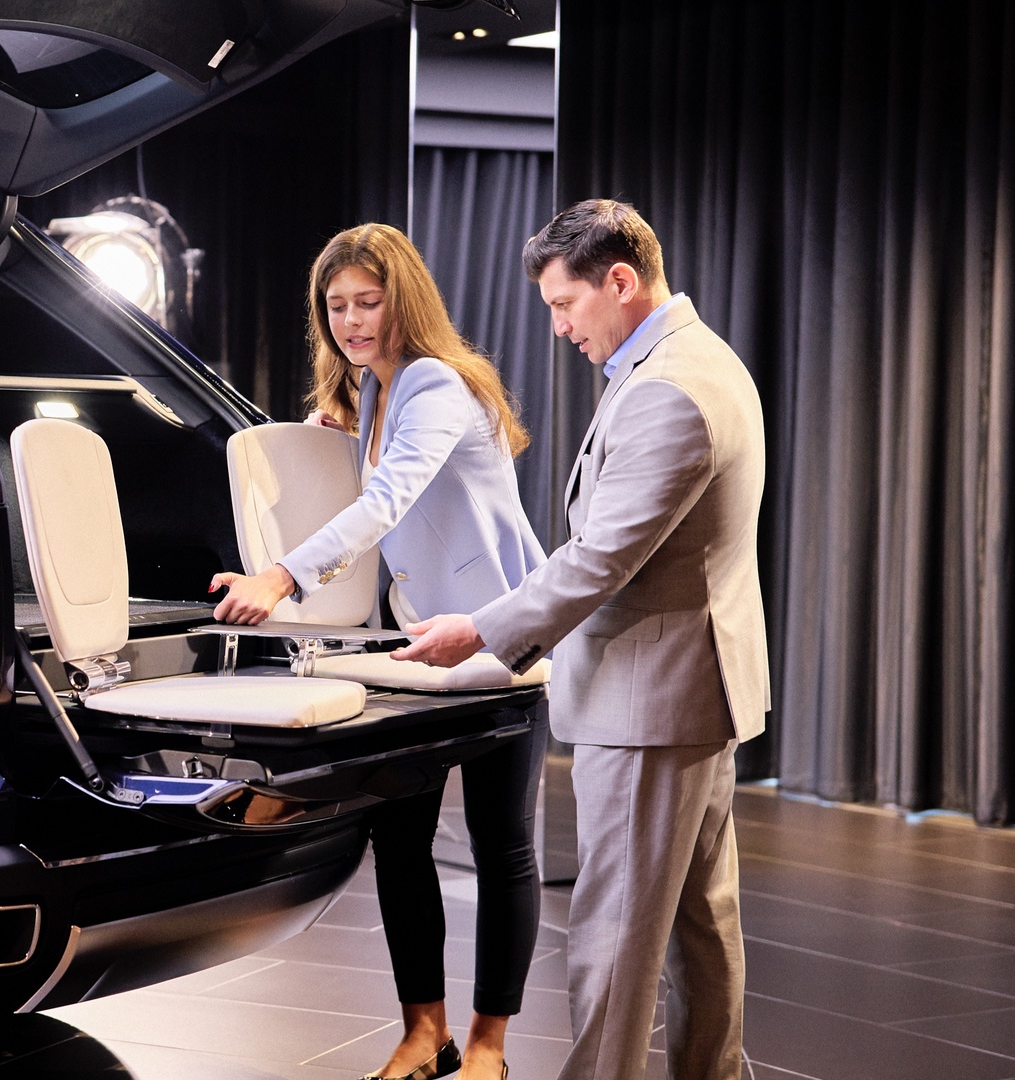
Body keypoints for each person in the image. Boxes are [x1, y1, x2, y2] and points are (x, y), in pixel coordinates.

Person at [396, 200, 768, 1080]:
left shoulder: (670, 389)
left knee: (614, 941)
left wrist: (482, 629)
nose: (560, 328)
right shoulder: (701, 360)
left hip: (651, 702)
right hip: (692, 691)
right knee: (699, 929)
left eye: (566, 307)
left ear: (621, 282)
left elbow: (603, 558)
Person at [211, 223, 547, 1080]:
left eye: (369, 302)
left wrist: (283, 576)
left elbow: (391, 499)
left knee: (499, 840)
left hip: (499, 639)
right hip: (415, 644)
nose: (354, 321)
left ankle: (488, 1046)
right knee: (400, 838)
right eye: (338, 307)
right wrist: (338, 429)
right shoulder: (376, 390)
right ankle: (421, 1030)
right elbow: (375, 477)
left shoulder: (433, 382)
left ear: (405, 303)